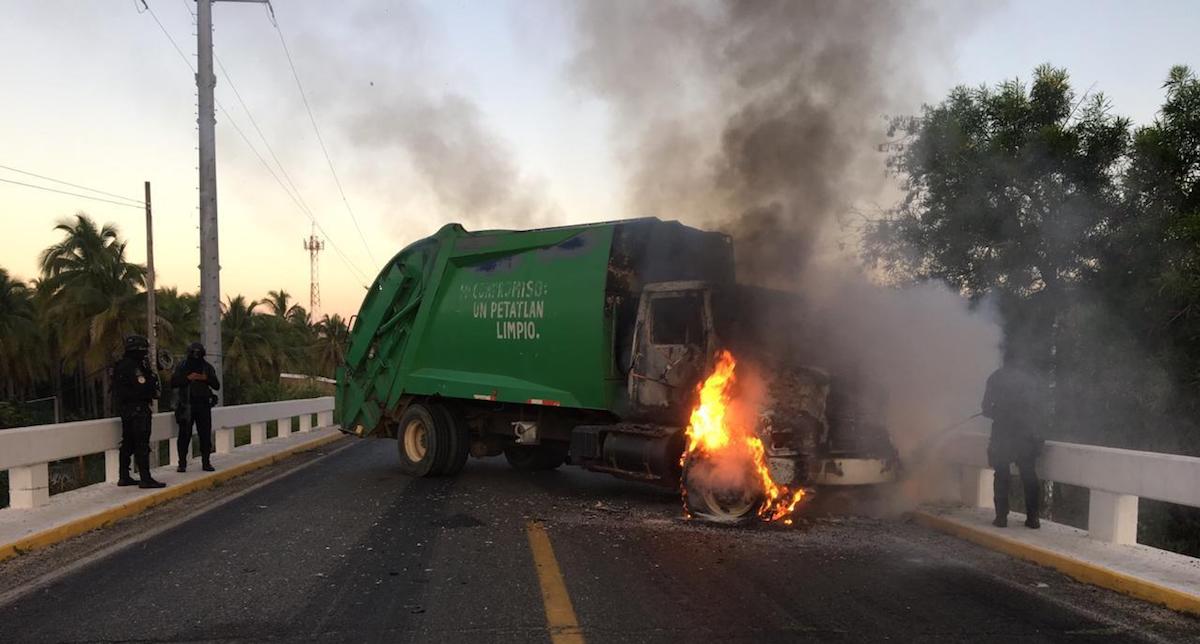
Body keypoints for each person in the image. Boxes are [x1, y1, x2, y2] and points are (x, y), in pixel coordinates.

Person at [981, 347, 1048, 528]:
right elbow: (1042, 408)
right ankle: (1033, 519)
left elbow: (986, 408)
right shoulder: (1033, 379)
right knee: (1029, 475)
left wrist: (998, 412)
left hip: (1003, 434)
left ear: (1005, 360)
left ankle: (1001, 518)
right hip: (1028, 435)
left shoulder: (996, 377)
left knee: (1001, 474)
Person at [113, 334, 166, 488]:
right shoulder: (134, 367)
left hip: (126, 410)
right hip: (138, 409)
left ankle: (124, 476)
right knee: (141, 444)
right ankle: (145, 478)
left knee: (127, 443)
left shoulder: (121, 365)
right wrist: (151, 381)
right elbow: (142, 387)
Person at [171, 341, 220, 472]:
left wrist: (205, 378)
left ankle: (206, 462)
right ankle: (182, 463)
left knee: (205, 434)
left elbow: (216, 385)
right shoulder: (182, 366)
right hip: (186, 405)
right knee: (184, 435)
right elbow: (174, 382)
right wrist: (188, 378)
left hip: (203, 404)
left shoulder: (207, 367)